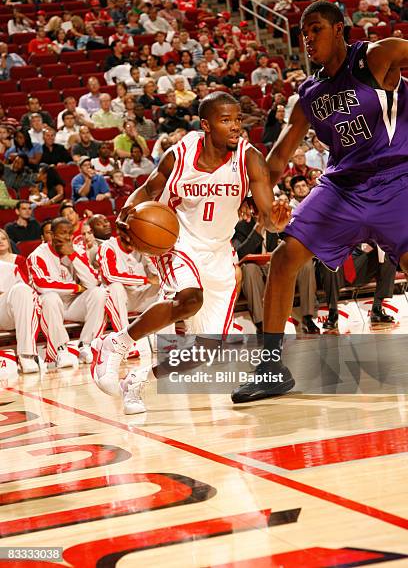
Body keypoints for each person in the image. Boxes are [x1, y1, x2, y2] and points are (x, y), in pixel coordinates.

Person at [231, 0, 408, 403]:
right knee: (283, 258)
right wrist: (254, 194)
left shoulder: (376, 57)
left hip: (396, 180)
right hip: (342, 188)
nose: (308, 38)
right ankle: (272, 369)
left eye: (316, 29)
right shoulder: (310, 93)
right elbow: (278, 156)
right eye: (303, 32)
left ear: (339, 29)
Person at [91, 91, 289, 414]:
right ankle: (117, 343)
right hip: (178, 242)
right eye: (226, 120)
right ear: (206, 125)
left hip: (219, 252)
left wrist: (275, 220)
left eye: (238, 119)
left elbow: (267, 212)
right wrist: (126, 211)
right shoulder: (179, 154)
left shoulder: (248, 157)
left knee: (205, 352)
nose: (235, 126)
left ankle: (139, 379)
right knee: (189, 299)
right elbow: (150, 189)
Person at [28, 217, 107, 367]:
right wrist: (76, 287)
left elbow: (91, 282)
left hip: (72, 305)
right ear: (51, 234)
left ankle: (86, 345)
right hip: (49, 308)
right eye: (62, 233)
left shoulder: (77, 251)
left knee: (99, 293)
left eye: (69, 233)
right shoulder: (37, 255)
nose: (67, 236)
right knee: (50, 297)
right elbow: (42, 286)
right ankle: (61, 350)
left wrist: (72, 256)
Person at [320, 245, 397, 330]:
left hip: (358, 263)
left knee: (388, 250)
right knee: (329, 263)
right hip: (337, 265)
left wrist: (368, 244)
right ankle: (333, 313)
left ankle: (377, 309)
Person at [0, 260, 42, 374]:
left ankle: (26, 354)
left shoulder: (9, 268)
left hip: (3, 313)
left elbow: (29, 296)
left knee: (22, 289)